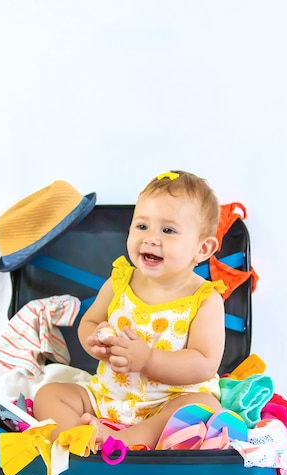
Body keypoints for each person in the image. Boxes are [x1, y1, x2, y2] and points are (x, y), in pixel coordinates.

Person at [33, 170, 226, 450]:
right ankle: (80, 441)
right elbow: (90, 322)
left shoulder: (204, 299)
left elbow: (204, 364)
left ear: (202, 248)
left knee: (204, 407)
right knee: (48, 394)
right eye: (141, 226)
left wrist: (149, 360)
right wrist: (95, 340)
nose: (150, 238)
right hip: (109, 398)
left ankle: (123, 442)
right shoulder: (120, 281)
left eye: (168, 230)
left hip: (167, 404)